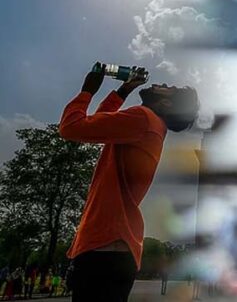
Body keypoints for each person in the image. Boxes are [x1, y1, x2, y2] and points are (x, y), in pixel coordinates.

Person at [59, 63, 199, 302]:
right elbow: (101, 125)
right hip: (116, 246)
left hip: (104, 246)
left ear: (166, 104)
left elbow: (71, 128)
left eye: (168, 88)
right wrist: (122, 91)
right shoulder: (151, 126)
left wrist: (87, 91)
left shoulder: (143, 118)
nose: (161, 83)